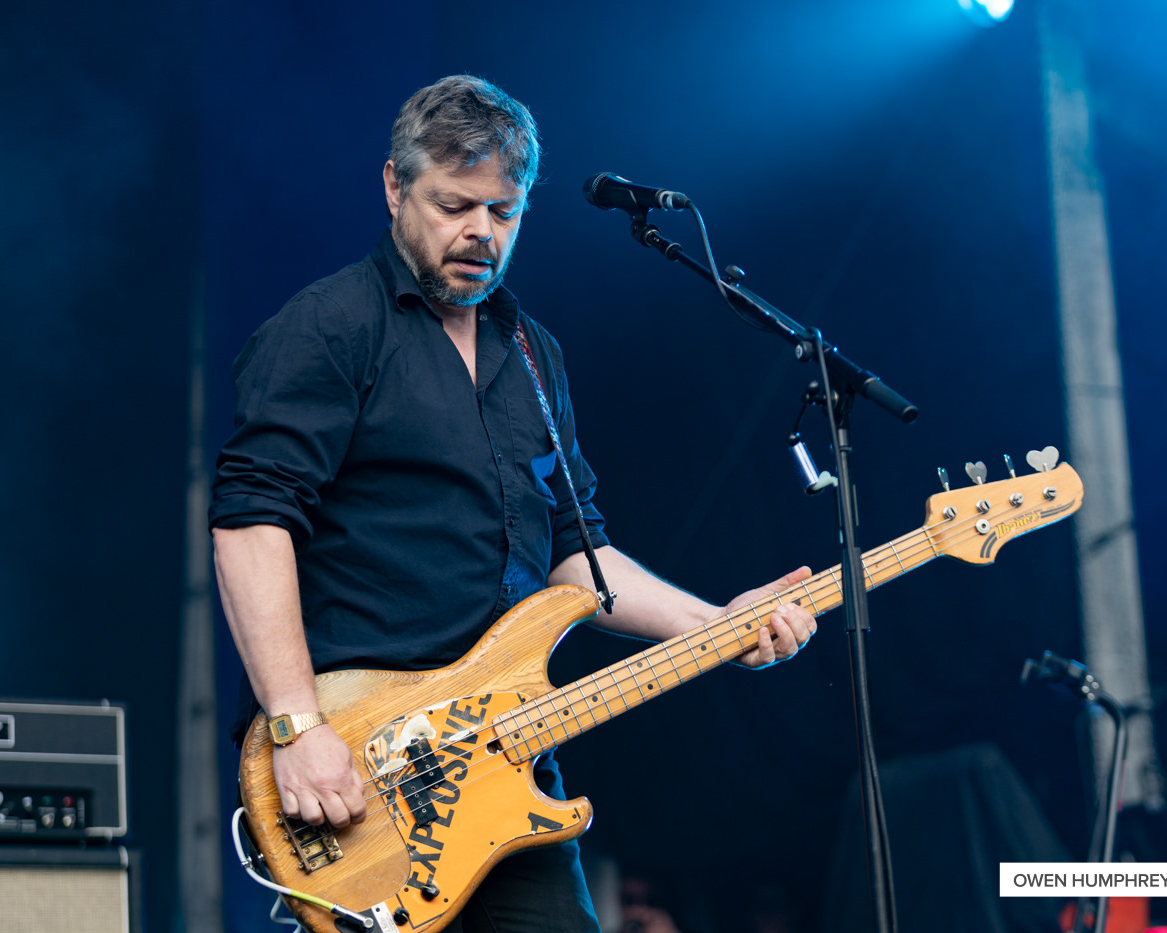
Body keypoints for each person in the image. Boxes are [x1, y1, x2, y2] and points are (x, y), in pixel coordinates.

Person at [209, 74, 817, 932]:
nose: (481, 233)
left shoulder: (533, 353)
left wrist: (717, 625)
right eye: (454, 205)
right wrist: (296, 726)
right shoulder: (329, 327)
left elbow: (576, 551)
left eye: (504, 211)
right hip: (364, 765)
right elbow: (250, 523)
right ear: (394, 188)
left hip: (505, 760)